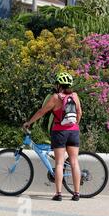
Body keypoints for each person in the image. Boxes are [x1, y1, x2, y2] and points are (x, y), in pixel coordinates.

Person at [23, 72, 83, 201]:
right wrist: (74, 125)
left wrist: (29, 122)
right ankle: (77, 194)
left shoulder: (56, 98)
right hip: (73, 131)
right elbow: (79, 113)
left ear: (58, 85)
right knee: (74, 162)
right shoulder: (75, 96)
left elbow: (41, 112)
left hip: (59, 132)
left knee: (60, 163)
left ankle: (58, 194)